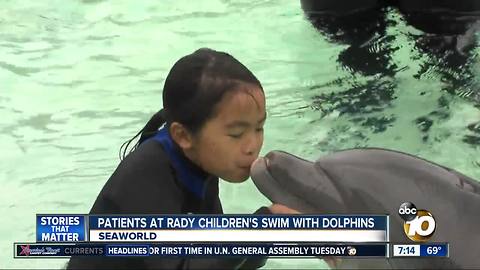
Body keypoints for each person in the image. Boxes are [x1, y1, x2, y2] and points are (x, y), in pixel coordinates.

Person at [67, 48, 298, 269]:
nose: (252, 146)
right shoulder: (148, 176)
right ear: (183, 135)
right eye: (236, 134)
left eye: (259, 128)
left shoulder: (201, 160)